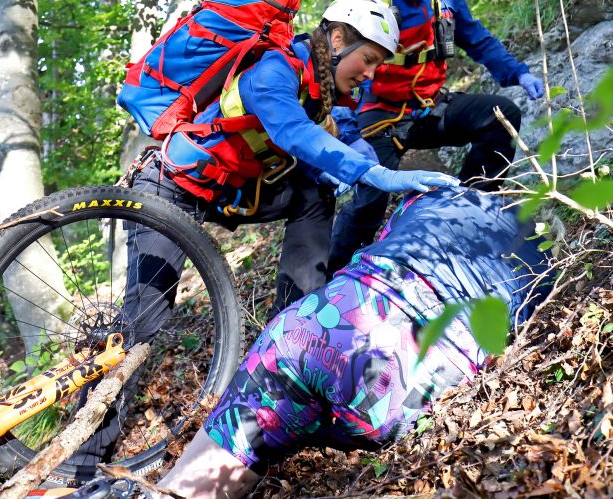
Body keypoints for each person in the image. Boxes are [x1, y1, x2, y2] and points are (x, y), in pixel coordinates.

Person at [65, 0, 460, 476]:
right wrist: (374, 174)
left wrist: (376, 170)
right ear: (337, 39)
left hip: (232, 195)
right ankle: (79, 465)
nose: (371, 74)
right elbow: (291, 131)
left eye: (377, 66)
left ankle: (295, 336)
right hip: (171, 189)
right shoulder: (271, 68)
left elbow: (347, 137)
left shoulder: (328, 93)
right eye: (369, 59)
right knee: (142, 326)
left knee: (315, 195)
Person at [142, 186, 553, 499]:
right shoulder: (545, 264)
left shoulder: (434, 196)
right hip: (406, 373)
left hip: (312, 328)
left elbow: (379, 239)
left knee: (203, 476)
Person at [328, 0, 545, 273]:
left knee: (500, 116)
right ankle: (333, 272)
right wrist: (346, 132)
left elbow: (478, 41)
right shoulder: (364, 5)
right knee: (371, 194)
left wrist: (517, 73)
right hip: (379, 117)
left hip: (432, 109)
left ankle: (467, 213)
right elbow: (336, 74)